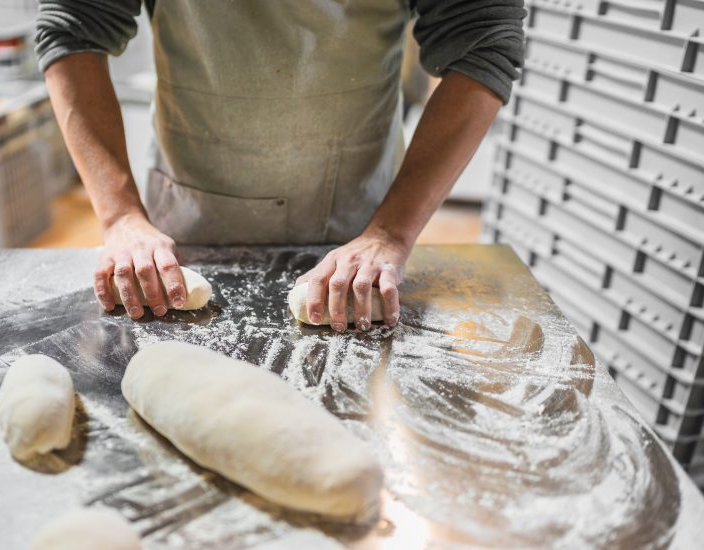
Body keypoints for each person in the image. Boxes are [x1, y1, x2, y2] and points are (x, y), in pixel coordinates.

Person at [37, 0, 525, 332]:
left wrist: (390, 234)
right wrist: (121, 216)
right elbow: (74, 26)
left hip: (358, 227)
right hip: (185, 220)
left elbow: (481, 40)